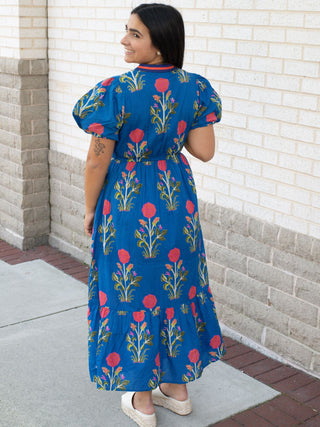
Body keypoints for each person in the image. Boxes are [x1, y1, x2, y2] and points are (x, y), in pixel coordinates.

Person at [73, 3, 225, 426]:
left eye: (135, 34)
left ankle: (141, 399)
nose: (124, 39)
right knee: (177, 287)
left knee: (129, 292)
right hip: (176, 204)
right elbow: (205, 151)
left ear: (160, 44)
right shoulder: (195, 88)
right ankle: (177, 390)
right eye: (127, 31)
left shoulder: (115, 91)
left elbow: (95, 164)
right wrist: (171, 129)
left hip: (126, 205)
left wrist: (89, 209)